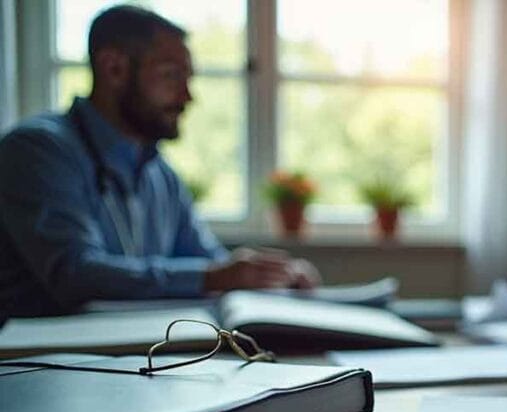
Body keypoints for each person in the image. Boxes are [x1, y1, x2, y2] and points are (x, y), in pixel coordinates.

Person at [0, 5, 320, 317]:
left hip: (134, 358)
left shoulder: (160, 175)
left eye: (188, 78)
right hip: (43, 361)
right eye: (171, 76)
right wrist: (213, 277)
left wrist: (274, 276)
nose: (187, 96)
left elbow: (209, 262)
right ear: (114, 68)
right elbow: (75, 274)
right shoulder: (37, 151)